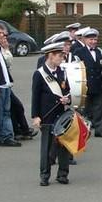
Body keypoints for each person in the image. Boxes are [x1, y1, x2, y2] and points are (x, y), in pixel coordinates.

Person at [31, 42, 72, 186]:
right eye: (60, 56)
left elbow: (67, 90)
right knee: (47, 147)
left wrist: (67, 99)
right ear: (51, 55)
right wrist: (35, 116)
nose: (62, 58)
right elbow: (35, 96)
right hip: (46, 115)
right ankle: (44, 175)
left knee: (63, 145)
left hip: (61, 115)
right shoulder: (39, 74)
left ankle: (63, 174)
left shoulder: (62, 72)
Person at [74, 28, 102, 137]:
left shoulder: (100, 52)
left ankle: (99, 130)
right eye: (91, 39)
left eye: (95, 39)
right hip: (85, 85)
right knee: (86, 109)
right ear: (85, 40)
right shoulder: (79, 52)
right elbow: (75, 70)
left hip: (98, 85)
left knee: (98, 108)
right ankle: (85, 131)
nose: (93, 42)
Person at [0, 33, 37, 140]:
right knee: (16, 106)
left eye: (6, 39)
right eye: (3, 39)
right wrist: (6, 49)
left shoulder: (2, 50)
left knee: (15, 107)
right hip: (3, 84)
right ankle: (21, 130)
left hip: (7, 84)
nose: (5, 41)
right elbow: (8, 61)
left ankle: (22, 130)